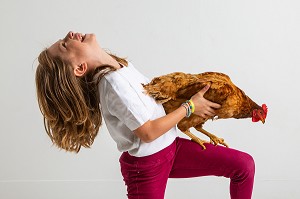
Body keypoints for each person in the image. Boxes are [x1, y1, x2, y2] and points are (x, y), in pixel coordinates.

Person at [35, 31, 255, 199]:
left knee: (243, 166)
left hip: (171, 148)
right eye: (65, 44)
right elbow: (148, 132)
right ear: (80, 68)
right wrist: (190, 107)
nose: (71, 34)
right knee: (243, 166)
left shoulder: (119, 66)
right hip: (147, 167)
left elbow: (150, 106)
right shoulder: (114, 84)